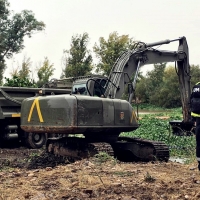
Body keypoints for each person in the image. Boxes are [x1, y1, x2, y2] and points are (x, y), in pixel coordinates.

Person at [190, 82, 200, 170]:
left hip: (198, 121)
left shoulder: (196, 87)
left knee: (199, 144)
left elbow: (191, 102)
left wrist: (193, 120)